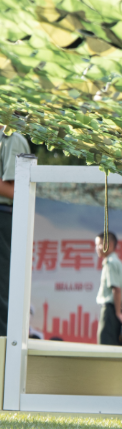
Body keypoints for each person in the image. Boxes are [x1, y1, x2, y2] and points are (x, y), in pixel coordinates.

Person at [0, 127, 30, 336]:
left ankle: (3, 357)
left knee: (2, 292)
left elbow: (15, 190)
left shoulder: (12, 139)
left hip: (4, 216)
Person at [94, 231, 122, 346]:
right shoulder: (119, 263)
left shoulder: (110, 263)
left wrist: (118, 313)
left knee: (105, 347)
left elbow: (117, 289)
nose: (97, 248)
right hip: (117, 311)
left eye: (99, 244)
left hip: (110, 312)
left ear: (110, 244)